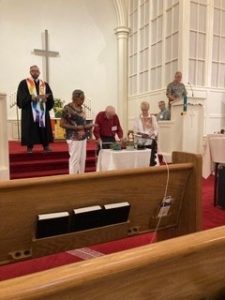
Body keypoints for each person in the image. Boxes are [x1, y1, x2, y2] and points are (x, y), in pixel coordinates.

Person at [16, 65, 54, 153]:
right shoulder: (24, 83)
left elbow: (50, 97)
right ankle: (29, 147)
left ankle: (46, 146)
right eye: (33, 71)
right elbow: (21, 97)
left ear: (39, 72)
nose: (35, 72)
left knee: (43, 127)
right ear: (30, 72)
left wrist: (46, 99)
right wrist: (31, 98)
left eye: (36, 71)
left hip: (42, 110)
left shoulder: (44, 84)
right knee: (30, 128)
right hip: (29, 111)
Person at [60, 90, 94, 174]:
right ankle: (73, 180)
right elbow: (62, 124)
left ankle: (81, 178)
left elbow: (83, 125)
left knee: (82, 159)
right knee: (74, 159)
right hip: (73, 137)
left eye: (83, 99)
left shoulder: (82, 109)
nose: (82, 101)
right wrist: (75, 128)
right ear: (75, 98)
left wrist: (90, 126)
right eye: (81, 99)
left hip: (83, 137)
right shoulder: (67, 108)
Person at [132, 101, 158, 166]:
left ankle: (151, 169)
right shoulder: (137, 118)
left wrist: (153, 134)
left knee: (151, 158)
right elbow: (135, 130)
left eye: (145, 110)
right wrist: (140, 134)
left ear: (148, 109)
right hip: (140, 141)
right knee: (141, 158)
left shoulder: (153, 118)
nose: (144, 111)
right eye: (143, 110)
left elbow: (156, 130)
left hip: (150, 140)